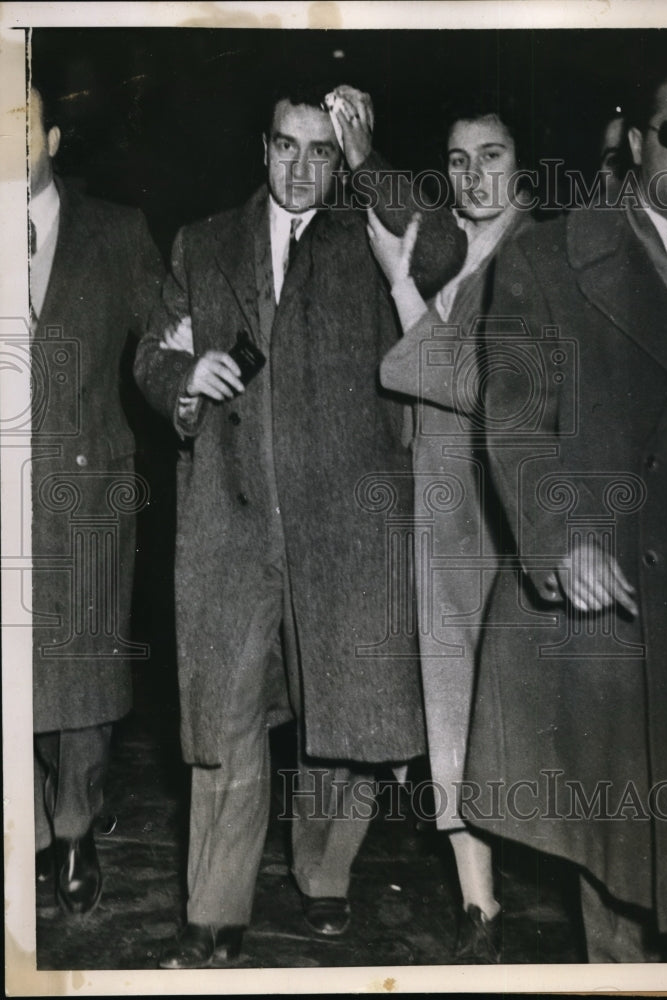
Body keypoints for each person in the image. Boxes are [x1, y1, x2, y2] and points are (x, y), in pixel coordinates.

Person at [134, 81, 466, 969]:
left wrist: (372, 162)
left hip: (343, 522)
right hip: (231, 520)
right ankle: (214, 907)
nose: (302, 166)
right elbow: (151, 353)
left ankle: (324, 877)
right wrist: (182, 381)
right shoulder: (203, 244)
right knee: (225, 720)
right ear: (263, 147)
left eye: (323, 151)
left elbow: (441, 248)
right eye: (289, 145)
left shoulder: (367, 233)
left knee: (340, 717)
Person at [458, 65, 667, 961]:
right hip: (625, 619)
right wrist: (561, 539)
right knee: (631, 881)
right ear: (634, 145)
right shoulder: (550, 257)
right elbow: (512, 421)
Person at [366, 98, 536, 962]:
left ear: (524, 167)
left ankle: (501, 900)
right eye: (457, 159)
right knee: (450, 710)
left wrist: (398, 280)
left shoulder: (532, 256)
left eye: (492, 156)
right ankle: (481, 905)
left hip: (492, 520)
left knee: (493, 713)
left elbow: (470, 381)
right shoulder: (461, 253)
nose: (472, 176)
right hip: (441, 517)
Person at [29, 83, 164, 915]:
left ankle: (75, 831)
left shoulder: (115, 232)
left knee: (80, 686)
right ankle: (34, 835)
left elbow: (161, 343)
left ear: (48, 135)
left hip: (85, 491)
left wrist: (188, 384)